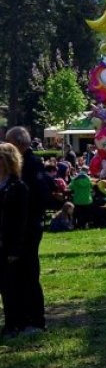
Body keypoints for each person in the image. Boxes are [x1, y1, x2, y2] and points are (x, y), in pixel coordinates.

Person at [5, 127, 53, 333]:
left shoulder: (31, 165)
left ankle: (35, 319)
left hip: (29, 226)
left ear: (17, 144)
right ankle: (20, 318)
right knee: (16, 275)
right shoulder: (26, 166)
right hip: (20, 227)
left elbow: (42, 195)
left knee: (29, 273)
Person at [0, 142, 31, 338]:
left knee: (9, 287)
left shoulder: (18, 187)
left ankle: (14, 324)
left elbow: (21, 221)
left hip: (8, 243)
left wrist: (15, 249)